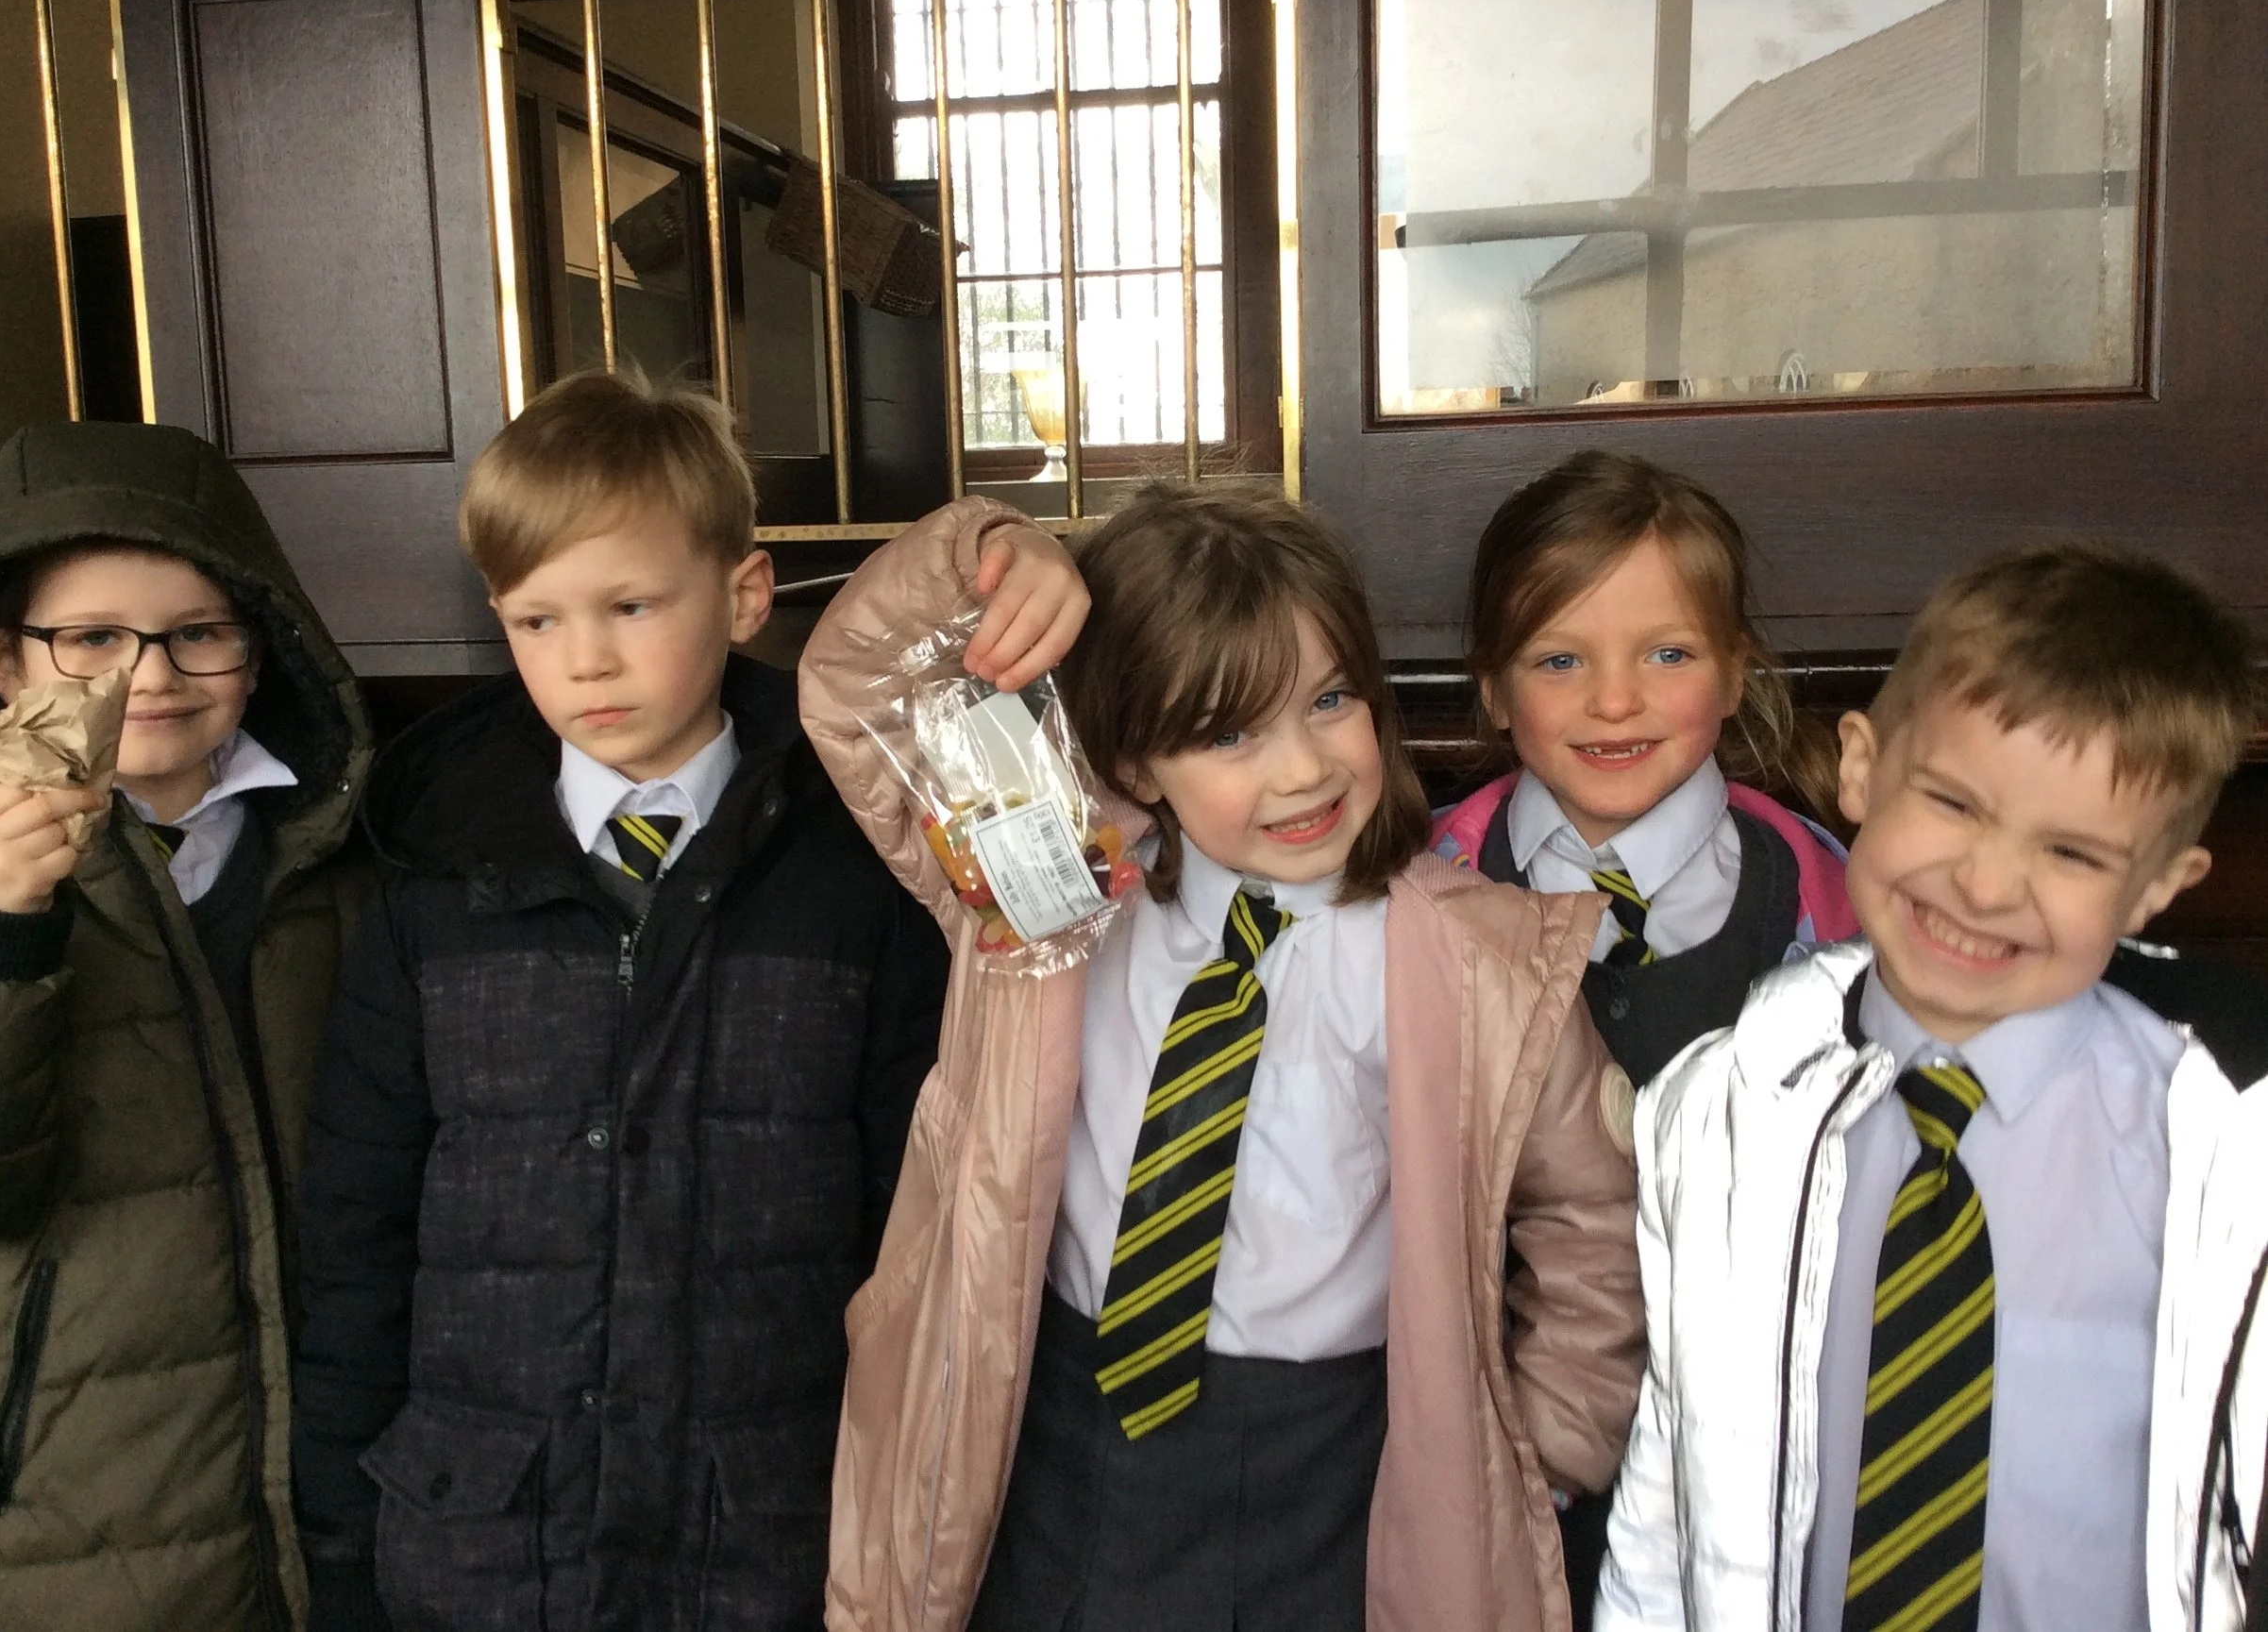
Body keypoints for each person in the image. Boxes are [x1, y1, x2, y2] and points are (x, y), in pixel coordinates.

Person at [800, 482, 1646, 1632]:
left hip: (1333, 1465)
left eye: (1331, 700)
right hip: (1046, 1432)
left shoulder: (1478, 963)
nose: (1302, 771)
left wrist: (1534, 1460)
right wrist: (990, 561)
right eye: (1228, 732)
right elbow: (855, 690)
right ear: (1136, 758)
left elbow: (1592, 1221)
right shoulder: (1045, 894)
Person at [290, 371, 948, 1631]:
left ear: (742, 595)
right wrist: (339, 1549)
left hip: (765, 1534)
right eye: (537, 620)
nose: (585, 657)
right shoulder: (432, 884)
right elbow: (356, 1236)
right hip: (477, 1544)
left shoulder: (854, 869)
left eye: (631, 605)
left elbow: (909, 1225)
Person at [1595, 542, 2268, 1632]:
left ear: (2154, 887)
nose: (1986, 884)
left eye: (2072, 854)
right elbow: (1668, 1505)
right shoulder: (1715, 1113)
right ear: (1861, 768)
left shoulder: (2227, 1156)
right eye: (1952, 803)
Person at [0, 421, 375, 1629]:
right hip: (63, 1515)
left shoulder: (342, 868)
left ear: (262, 650)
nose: (150, 676)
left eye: (197, 633)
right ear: (1, 658)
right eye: (93, 638)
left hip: (333, 1488)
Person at [1431, 450, 1856, 1621]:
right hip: (1484, 1459)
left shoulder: (1826, 907)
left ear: (1734, 672)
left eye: (1666, 654)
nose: (1613, 701)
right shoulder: (1420, 894)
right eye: (1558, 660)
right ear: (1493, 689)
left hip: (1738, 1473)